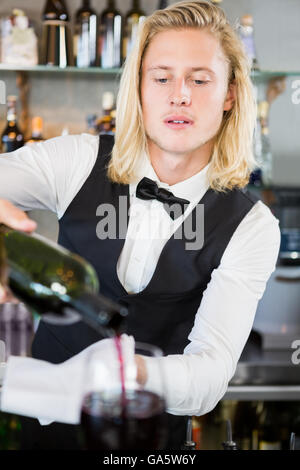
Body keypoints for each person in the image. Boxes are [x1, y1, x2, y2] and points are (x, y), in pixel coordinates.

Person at [0, 1, 280, 449]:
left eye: (200, 79)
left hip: (150, 442)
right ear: (140, 88)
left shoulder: (250, 225)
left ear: (229, 94)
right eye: (162, 76)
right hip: (39, 429)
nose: (180, 94)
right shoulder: (76, 161)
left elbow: (209, 375)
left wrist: (128, 371)